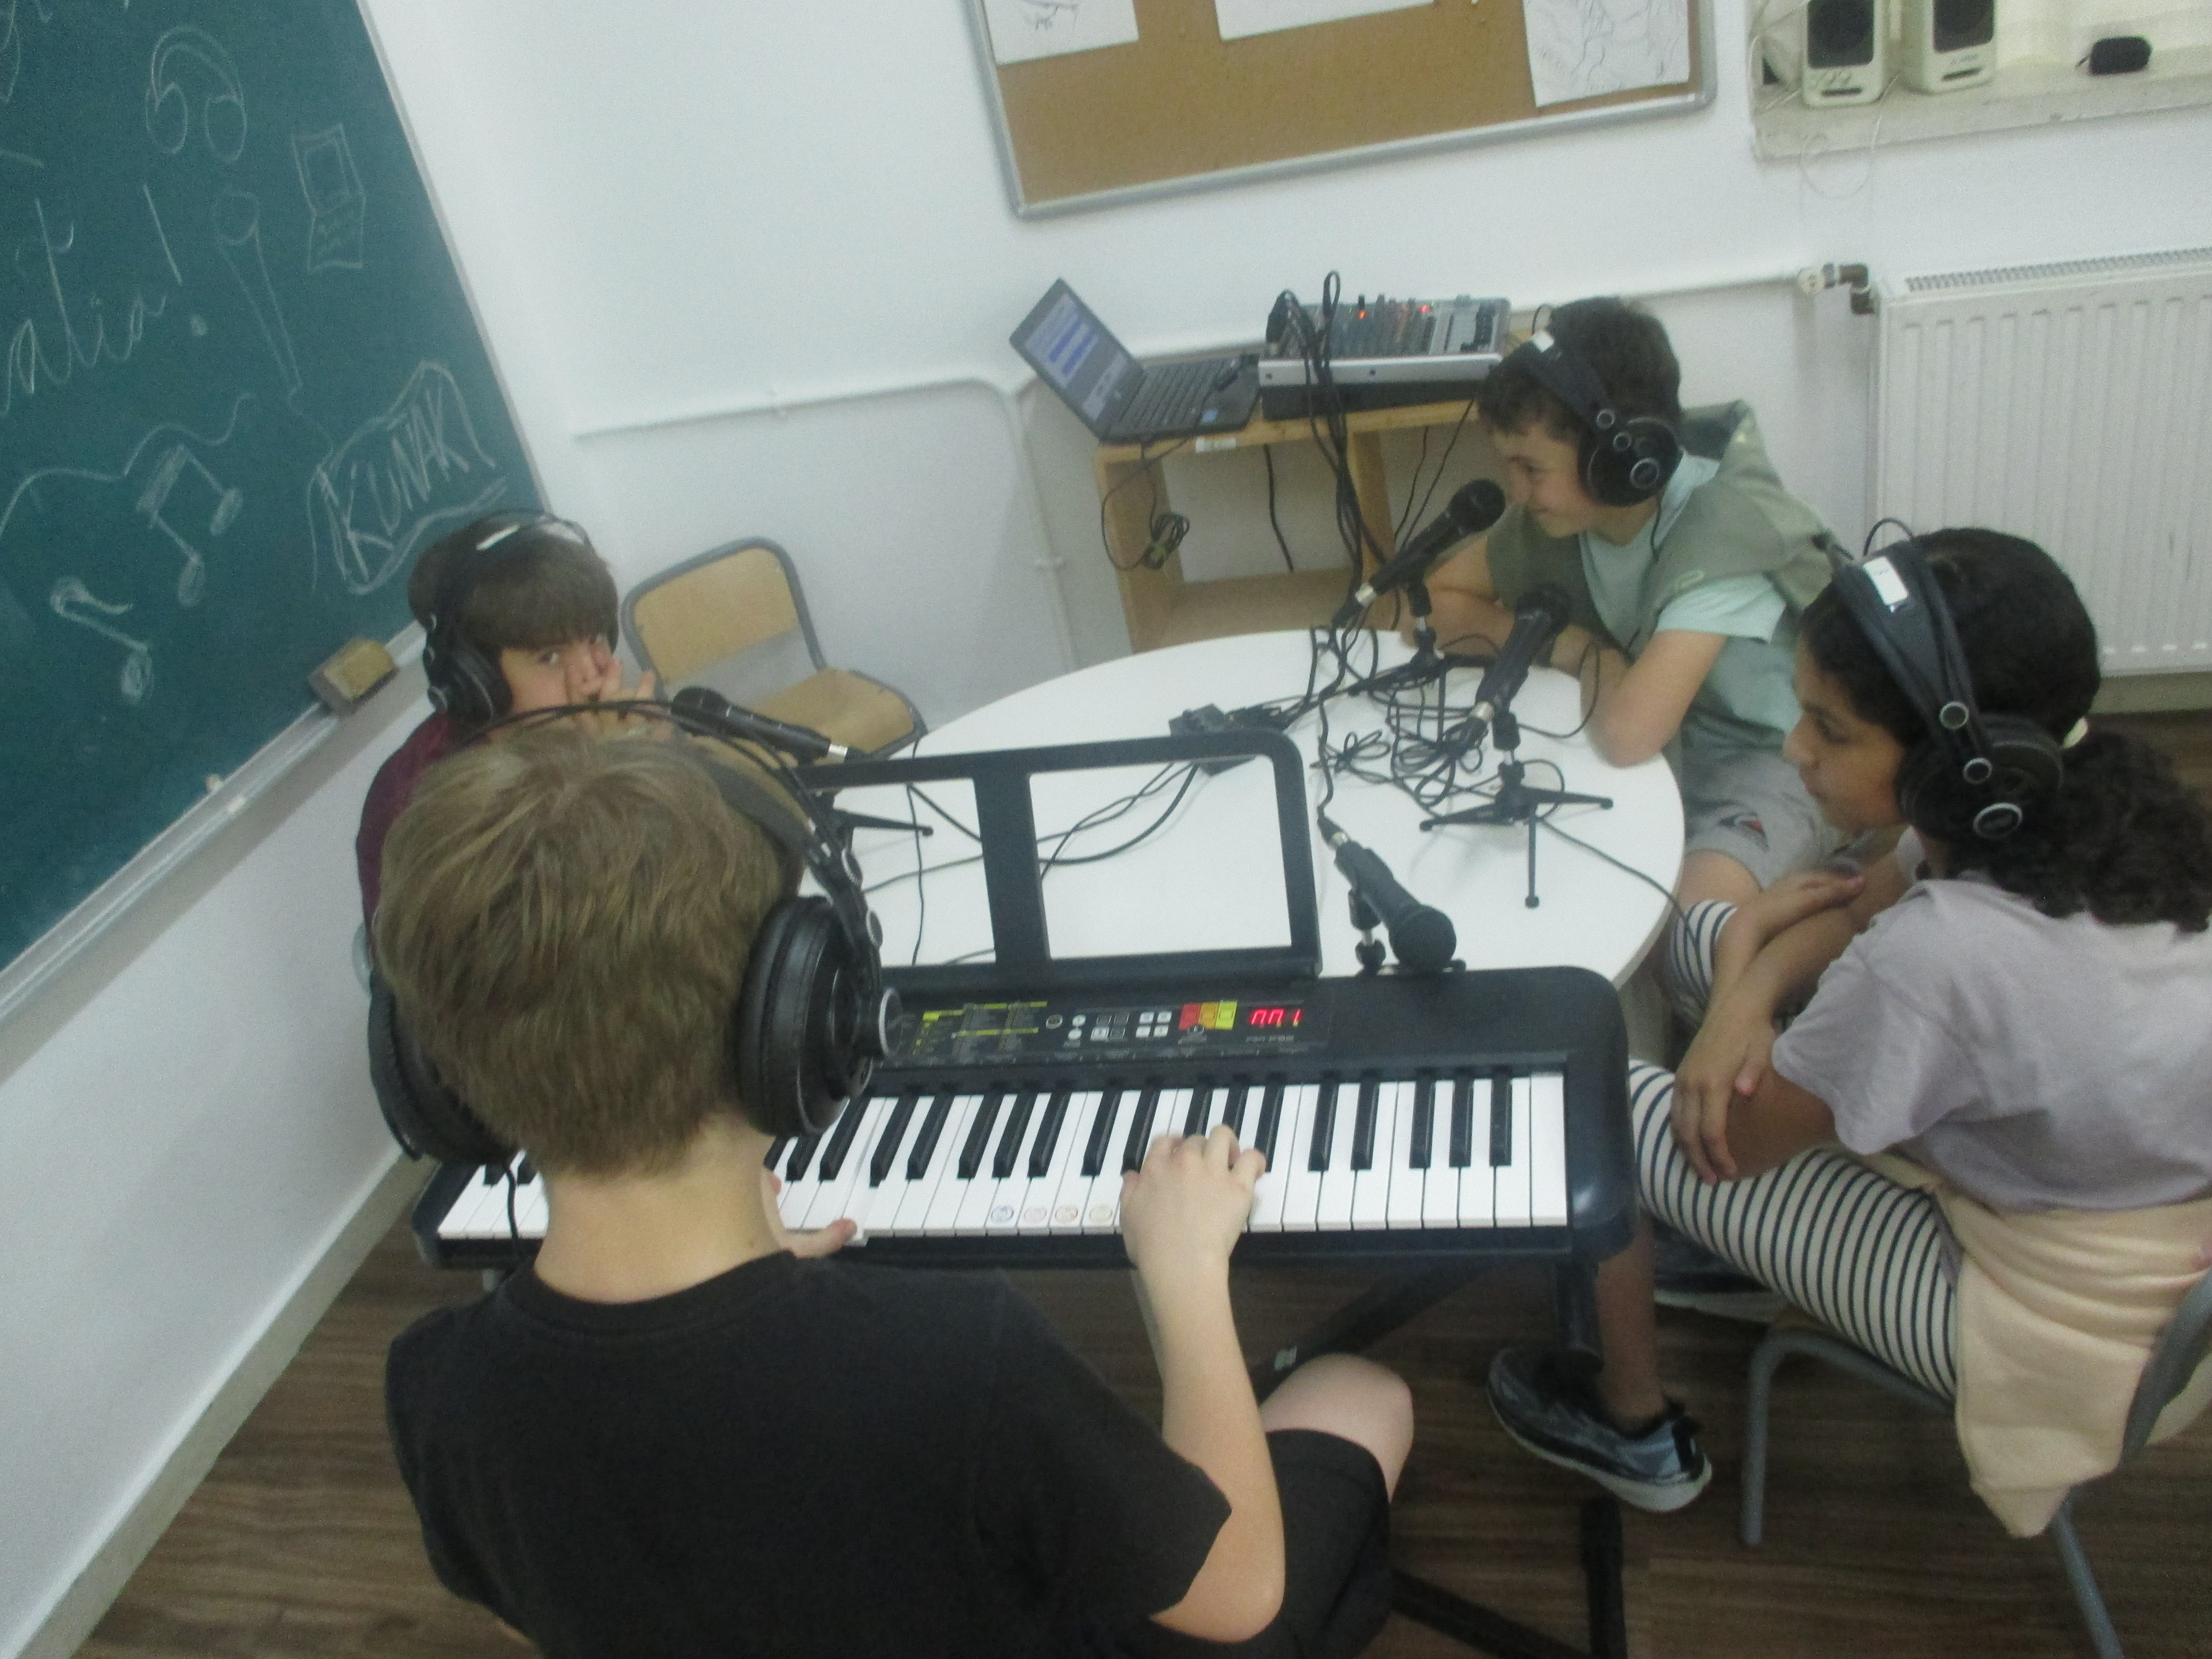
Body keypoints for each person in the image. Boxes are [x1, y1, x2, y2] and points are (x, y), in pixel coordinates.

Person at [373, 730, 1415, 1658]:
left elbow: (525, 1613)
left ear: (433, 1070)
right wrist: (1182, 1274)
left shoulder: (436, 1388)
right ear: (795, 1025)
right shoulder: (956, 1355)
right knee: (1360, 1395)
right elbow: (1235, 1595)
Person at [1481, 528, 2212, 1530]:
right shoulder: (2041, 794)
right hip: (2136, 1206)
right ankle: (1706, 1246)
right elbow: (1854, 906)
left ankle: (1630, 1424)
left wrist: (1727, 1016)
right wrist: (1744, 980)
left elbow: (1733, 1144)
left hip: (2059, 1316)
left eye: (1829, 729)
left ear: (1952, 763)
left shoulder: (1939, 960)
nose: (1794, 748)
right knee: (1690, 936)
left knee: (1592, 1099)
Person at [1421, 297, 1840, 910]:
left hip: (1777, 763)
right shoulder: (1568, 516)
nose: (1517, 492)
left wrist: (1593, 660)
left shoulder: (1726, 529)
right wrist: (1570, 644)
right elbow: (1433, 604)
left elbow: (1626, 734)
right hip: (1669, 746)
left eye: (1531, 469)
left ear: (1615, 460)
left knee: (1686, 920)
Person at [354, 512, 652, 925]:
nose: (594, 674)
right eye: (550, 657)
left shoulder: (578, 735)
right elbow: (589, 933)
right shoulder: (431, 806)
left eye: (596, 638)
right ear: (477, 679)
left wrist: (653, 761)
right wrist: (628, 777)